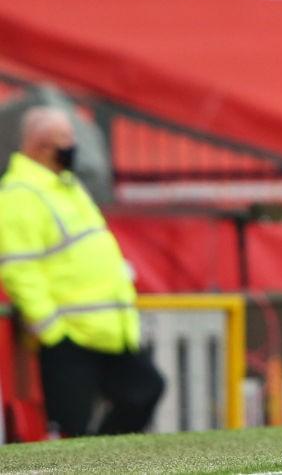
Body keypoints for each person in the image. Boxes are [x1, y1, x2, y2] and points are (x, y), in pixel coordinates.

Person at [0, 107, 164, 437]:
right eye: (65, 140)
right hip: (69, 335)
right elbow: (19, 269)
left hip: (107, 331)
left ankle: (102, 464)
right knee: (71, 430)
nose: (72, 147)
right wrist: (52, 330)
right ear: (38, 146)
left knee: (145, 389)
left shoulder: (66, 185)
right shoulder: (18, 196)